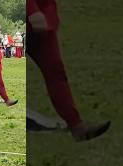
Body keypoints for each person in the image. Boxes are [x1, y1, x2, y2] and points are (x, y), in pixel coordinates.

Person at [27, 0, 110, 141]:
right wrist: (32, 11)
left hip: (43, 16)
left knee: (56, 72)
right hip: (30, 16)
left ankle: (77, 127)